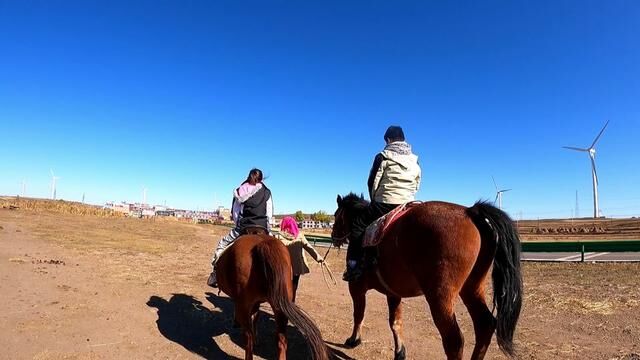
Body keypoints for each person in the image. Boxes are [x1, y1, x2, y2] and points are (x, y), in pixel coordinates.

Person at [343, 125, 421, 282]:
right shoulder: (415, 160)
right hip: (408, 202)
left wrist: (374, 199)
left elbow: (373, 181)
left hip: (386, 202)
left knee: (358, 225)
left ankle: (354, 267)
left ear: (388, 139)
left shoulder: (383, 156)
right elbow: (417, 183)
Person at [207, 168, 273, 288]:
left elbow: (236, 213)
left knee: (222, 243)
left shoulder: (239, 191)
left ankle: (215, 274)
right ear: (261, 179)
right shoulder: (266, 192)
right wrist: (268, 230)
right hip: (262, 226)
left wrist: (239, 224)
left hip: (244, 226)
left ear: (248, 177)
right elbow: (269, 214)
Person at [276, 216, 323, 302]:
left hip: (283, 267)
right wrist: (319, 258)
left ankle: (284, 303)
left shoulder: (278, 236)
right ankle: (292, 302)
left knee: (283, 285)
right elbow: (309, 247)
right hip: (297, 267)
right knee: (294, 285)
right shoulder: (300, 236)